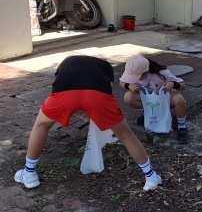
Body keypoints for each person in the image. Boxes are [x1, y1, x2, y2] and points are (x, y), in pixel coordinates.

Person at [14, 55, 162, 191]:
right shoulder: (106, 67)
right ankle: (151, 177)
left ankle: (29, 173)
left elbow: (61, 86)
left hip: (64, 94)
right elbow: (107, 91)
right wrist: (93, 111)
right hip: (97, 95)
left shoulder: (67, 62)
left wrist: (78, 112)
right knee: (126, 135)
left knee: (41, 125)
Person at [119, 56, 189, 144]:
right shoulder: (131, 72)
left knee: (179, 99)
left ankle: (181, 126)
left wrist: (173, 84)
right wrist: (128, 85)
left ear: (146, 71)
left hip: (164, 98)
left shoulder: (161, 73)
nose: (133, 79)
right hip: (148, 100)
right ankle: (148, 114)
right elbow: (121, 83)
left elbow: (183, 86)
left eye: (136, 76)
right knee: (128, 96)